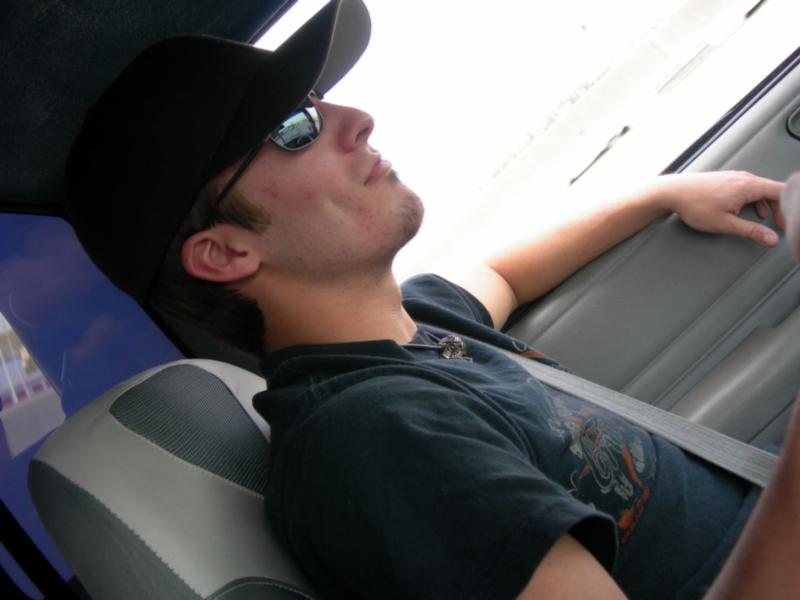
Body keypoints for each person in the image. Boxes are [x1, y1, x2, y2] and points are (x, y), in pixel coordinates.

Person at [64, 1, 799, 598]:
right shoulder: (374, 440)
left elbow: (501, 272)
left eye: (317, 99)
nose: (357, 116)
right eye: (294, 129)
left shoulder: (413, 326)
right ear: (226, 253)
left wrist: (663, 193)